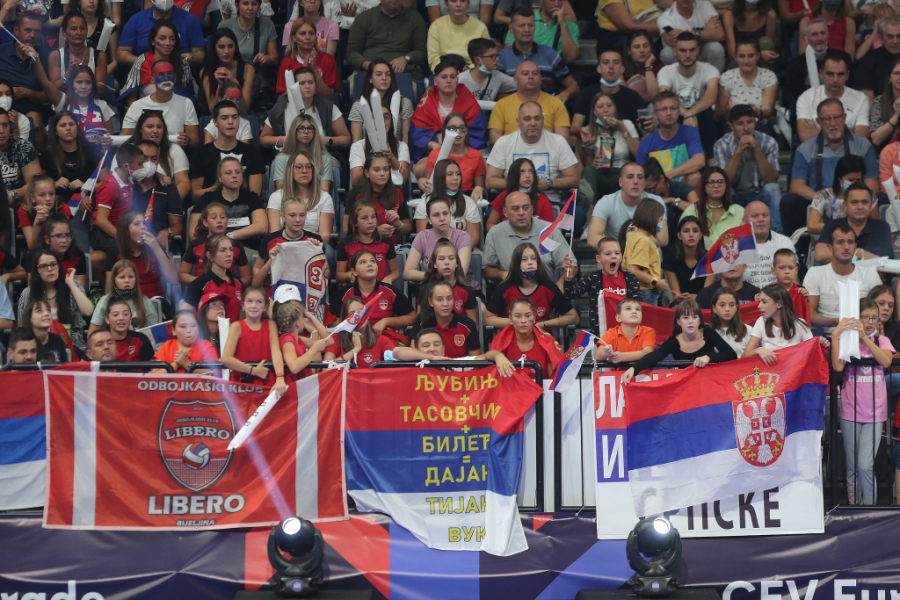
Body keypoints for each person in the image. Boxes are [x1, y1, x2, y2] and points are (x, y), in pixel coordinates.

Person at [782, 99, 879, 236]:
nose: (833, 123)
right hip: (818, 200)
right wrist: (825, 200)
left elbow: (873, 186)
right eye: (827, 119)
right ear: (819, 122)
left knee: (881, 198)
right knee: (789, 202)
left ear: (844, 117)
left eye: (837, 117)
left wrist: (854, 200)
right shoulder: (805, 149)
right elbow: (796, 186)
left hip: (856, 201)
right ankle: (796, 246)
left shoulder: (863, 146)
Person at [832, 298, 893, 506]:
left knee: (865, 466)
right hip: (850, 412)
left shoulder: (882, 341)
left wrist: (865, 339)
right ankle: (854, 508)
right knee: (852, 467)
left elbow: (886, 361)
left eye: (874, 318)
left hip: (875, 414)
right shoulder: (848, 342)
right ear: (856, 318)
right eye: (865, 317)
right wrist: (836, 335)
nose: (870, 322)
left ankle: (869, 510)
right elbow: (838, 367)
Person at [486, 101, 581, 210]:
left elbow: (575, 179)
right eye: (527, 119)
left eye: (537, 118)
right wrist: (517, 183)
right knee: (489, 215)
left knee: (579, 215)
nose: (533, 123)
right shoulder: (504, 142)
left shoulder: (558, 141)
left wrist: (549, 183)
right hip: (513, 204)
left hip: (550, 203)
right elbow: (490, 181)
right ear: (518, 122)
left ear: (543, 120)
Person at [620, 298, 736, 384]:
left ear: (700, 321)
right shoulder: (674, 342)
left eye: (694, 317)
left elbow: (731, 354)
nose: (690, 321)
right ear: (678, 321)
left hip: (709, 383)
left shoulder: (709, 333)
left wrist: (709, 357)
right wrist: (634, 369)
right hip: (686, 387)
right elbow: (655, 355)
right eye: (685, 317)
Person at [483, 191, 577, 286]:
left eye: (525, 208)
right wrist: (502, 274)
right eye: (515, 209)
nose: (521, 213)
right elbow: (486, 270)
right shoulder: (495, 232)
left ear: (531, 209)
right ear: (505, 212)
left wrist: (560, 284)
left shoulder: (549, 230)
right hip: (512, 290)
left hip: (546, 290)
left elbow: (572, 266)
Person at [803, 224, 883, 334]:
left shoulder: (869, 274)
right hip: (827, 336)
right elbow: (808, 314)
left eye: (850, 242)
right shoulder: (815, 273)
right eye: (840, 242)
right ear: (830, 248)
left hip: (863, 336)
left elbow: (879, 311)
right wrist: (835, 322)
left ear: (855, 247)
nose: (846, 247)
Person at [713, 104, 781, 230]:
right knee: (725, 191)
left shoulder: (769, 142)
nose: (746, 128)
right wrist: (738, 152)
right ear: (731, 126)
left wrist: (757, 149)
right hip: (735, 196)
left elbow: (772, 180)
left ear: (755, 123)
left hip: (760, 195)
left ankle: (779, 236)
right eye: (740, 124)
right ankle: (725, 234)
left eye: (749, 122)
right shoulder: (721, 145)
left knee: (773, 189)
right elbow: (722, 182)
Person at [330, 249, 416, 345]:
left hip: (385, 339)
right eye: (363, 262)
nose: (369, 264)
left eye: (372, 261)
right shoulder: (345, 293)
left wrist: (386, 321)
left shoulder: (389, 290)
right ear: (354, 272)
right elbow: (331, 321)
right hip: (353, 340)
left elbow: (412, 318)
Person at [484, 241, 578, 328]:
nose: (530, 262)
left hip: (541, 335)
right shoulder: (505, 288)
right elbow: (487, 319)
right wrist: (516, 321)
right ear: (516, 264)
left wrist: (544, 324)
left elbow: (574, 317)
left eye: (533, 258)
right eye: (524, 259)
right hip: (513, 336)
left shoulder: (549, 288)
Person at [37, 111, 105, 230]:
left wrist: (86, 186)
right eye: (63, 125)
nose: (68, 128)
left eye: (71, 124)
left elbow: (107, 183)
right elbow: (36, 184)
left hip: (85, 200)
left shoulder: (91, 149)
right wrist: (53, 184)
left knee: (81, 214)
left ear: (77, 128)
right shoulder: (46, 152)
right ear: (55, 131)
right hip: (56, 201)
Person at [410, 61, 487, 165]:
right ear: (436, 81)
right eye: (444, 77)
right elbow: (417, 135)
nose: (449, 81)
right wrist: (432, 145)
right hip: (434, 155)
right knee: (420, 168)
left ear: (457, 80)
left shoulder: (469, 103)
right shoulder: (427, 104)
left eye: (452, 77)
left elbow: (476, 135)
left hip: (464, 153)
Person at [17, 249, 93, 354]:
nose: (50, 269)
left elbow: (88, 311)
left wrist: (71, 284)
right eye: (44, 266)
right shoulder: (28, 293)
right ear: (37, 271)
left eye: (53, 264)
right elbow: (22, 325)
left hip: (72, 343)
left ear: (59, 267)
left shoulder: (73, 285)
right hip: (39, 343)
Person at [266, 151, 335, 266]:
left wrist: (305, 246)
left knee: (328, 251)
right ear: (290, 170)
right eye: (299, 167)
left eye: (308, 167)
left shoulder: (324, 198)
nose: (304, 170)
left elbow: (325, 236)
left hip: (312, 245)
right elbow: (274, 234)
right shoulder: (276, 197)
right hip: (284, 245)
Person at [657, 32, 720, 157]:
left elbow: (711, 97)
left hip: (701, 117)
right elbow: (665, 97)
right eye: (683, 50)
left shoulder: (709, 69)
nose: (687, 55)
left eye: (692, 50)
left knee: (708, 114)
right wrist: (687, 115)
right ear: (675, 51)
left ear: (697, 51)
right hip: (677, 115)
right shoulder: (666, 71)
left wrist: (689, 113)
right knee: (668, 112)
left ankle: (711, 163)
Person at [89, 143, 145, 281]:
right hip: (104, 234)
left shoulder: (129, 180)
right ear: (126, 166)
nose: (143, 167)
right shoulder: (110, 186)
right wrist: (123, 238)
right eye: (140, 164)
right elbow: (101, 220)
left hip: (121, 230)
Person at [498, 8, 578, 102]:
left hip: (547, 107)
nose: (527, 30)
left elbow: (573, 86)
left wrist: (565, 94)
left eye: (530, 25)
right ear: (511, 28)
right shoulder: (501, 58)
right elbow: (495, 91)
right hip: (514, 108)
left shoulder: (549, 53)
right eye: (521, 26)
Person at [189, 104, 265, 203]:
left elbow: (255, 195)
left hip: (243, 207)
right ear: (215, 122)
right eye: (224, 118)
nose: (230, 122)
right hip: (210, 206)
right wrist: (220, 186)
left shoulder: (252, 153)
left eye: (235, 117)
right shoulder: (201, 154)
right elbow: (195, 195)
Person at [571, 49, 645, 148]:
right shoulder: (585, 94)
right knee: (573, 139)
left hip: (627, 147)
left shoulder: (633, 97)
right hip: (593, 147)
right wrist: (581, 130)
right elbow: (574, 127)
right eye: (606, 63)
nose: (611, 66)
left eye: (616, 63)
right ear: (599, 69)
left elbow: (646, 132)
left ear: (622, 69)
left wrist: (651, 128)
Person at [262, 67, 350, 149]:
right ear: (293, 86)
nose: (307, 86)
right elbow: (263, 138)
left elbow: (346, 138)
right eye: (302, 83)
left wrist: (324, 140)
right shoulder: (280, 107)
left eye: (310, 82)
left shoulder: (328, 107)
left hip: (320, 153)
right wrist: (287, 140)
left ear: (315, 85)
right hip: (289, 154)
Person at [565, 236, 640, 332]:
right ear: (598, 258)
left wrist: (612, 297)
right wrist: (568, 276)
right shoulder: (592, 278)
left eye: (617, 253)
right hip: (600, 334)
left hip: (626, 333)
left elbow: (638, 305)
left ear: (621, 257)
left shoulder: (631, 278)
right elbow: (570, 294)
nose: (613, 256)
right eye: (608, 253)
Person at [221, 286, 287, 393]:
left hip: (267, 380)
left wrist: (280, 377)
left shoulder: (270, 324)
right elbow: (226, 359)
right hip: (242, 384)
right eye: (250, 301)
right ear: (243, 305)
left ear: (265, 307)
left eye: (259, 302)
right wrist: (254, 371)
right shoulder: (237, 326)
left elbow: (276, 352)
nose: (254, 306)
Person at [577, 91, 640, 203]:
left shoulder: (626, 124)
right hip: (601, 173)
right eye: (600, 107)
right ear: (594, 111)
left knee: (618, 179)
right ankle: (588, 209)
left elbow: (638, 154)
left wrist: (622, 130)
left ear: (614, 108)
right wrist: (593, 163)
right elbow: (588, 165)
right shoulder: (589, 130)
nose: (606, 110)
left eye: (609, 106)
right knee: (588, 170)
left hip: (622, 172)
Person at [487, 60, 571, 144]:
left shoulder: (556, 103)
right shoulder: (502, 104)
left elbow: (562, 138)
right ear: (515, 79)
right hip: (511, 150)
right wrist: (517, 148)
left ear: (540, 79)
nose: (530, 76)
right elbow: (494, 136)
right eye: (525, 74)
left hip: (547, 150)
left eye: (535, 73)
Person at [588, 162, 668, 248]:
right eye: (630, 177)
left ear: (644, 183)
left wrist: (635, 243)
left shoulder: (656, 201)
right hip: (616, 251)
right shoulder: (606, 202)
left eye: (640, 177)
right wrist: (622, 246)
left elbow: (663, 238)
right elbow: (592, 238)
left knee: (657, 251)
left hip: (644, 250)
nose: (635, 181)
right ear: (621, 182)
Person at [120, 61, 200, 146]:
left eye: (169, 74)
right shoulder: (137, 106)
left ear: (175, 78)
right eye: (161, 74)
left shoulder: (186, 103)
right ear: (152, 80)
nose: (166, 78)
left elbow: (195, 140)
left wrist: (187, 140)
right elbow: (123, 139)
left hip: (174, 151)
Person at [635, 91, 705, 188]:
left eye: (673, 108)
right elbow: (640, 176)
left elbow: (699, 161)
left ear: (679, 112)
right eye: (663, 109)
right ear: (655, 114)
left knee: (695, 177)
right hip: (658, 189)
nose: (669, 113)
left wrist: (668, 175)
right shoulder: (646, 143)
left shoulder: (690, 132)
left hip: (683, 186)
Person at [406, 194, 477, 289]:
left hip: (463, 288)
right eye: (436, 215)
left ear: (450, 214)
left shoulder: (463, 237)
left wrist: (431, 276)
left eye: (445, 213)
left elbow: (460, 273)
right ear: (429, 219)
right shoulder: (422, 237)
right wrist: (436, 277)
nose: (442, 218)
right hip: (433, 289)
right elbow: (407, 273)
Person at [796, 51, 869, 142]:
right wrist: (851, 131)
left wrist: (818, 129)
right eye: (830, 74)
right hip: (817, 150)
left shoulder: (861, 99)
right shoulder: (806, 97)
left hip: (849, 150)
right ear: (821, 74)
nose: (835, 79)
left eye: (840, 74)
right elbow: (804, 136)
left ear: (847, 75)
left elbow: (862, 138)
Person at [252, 198, 326, 287]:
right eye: (292, 215)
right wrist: (272, 259)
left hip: (305, 291)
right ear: (283, 217)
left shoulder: (315, 240)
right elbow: (256, 281)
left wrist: (316, 252)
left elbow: (326, 272)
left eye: (302, 215)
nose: (298, 220)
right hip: (276, 291)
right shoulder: (269, 240)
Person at [345, 0, 428, 80]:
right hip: (367, 73)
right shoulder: (363, 18)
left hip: (405, 73)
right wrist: (367, 65)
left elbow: (421, 51)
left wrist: (406, 59)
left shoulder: (415, 18)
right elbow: (352, 52)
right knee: (352, 87)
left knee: (413, 87)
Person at [109, 211, 178, 305]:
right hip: (128, 304)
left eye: (144, 223)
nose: (143, 227)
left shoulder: (155, 247)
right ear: (126, 230)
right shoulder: (115, 251)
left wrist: (156, 248)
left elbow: (173, 279)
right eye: (137, 224)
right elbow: (111, 289)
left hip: (156, 302)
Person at [0, 14, 49, 145]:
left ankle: (37, 156)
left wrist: (27, 93)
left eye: (37, 31)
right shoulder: (1, 52)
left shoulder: (46, 56)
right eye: (28, 30)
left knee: (34, 119)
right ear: (16, 30)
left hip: (31, 112)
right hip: (1, 111)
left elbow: (51, 96)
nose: (32, 35)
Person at [120, 21, 196, 104]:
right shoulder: (141, 62)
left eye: (172, 39)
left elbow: (188, 96)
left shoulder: (183, 63)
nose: (168, 43)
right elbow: (131, 100)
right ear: (153, 41)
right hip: (147, 109)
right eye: (162, 38)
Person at [814, 183, 892, 263]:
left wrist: (844, 254)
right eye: (854, 202)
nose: (860, 207)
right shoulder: (832, 226)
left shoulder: (882, 227)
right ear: (845, 206)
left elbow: (886, 261)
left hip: (873, 271)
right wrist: (857, 253)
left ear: (871, 206)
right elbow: (820, 255)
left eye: (865, 202)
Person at [342, 153, 411, 243]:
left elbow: (408, 228)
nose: (382, 173)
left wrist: (398, 224)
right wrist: (375, 232)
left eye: (386, 169)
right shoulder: (356, 193)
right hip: (363, 246)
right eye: (376, 170)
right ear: (367, 173)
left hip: (391, 247)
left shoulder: (397, 192)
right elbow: (346, 230)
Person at [742, 283, 819, 364]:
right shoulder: (761, 321)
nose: (759, 306)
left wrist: (820, 342)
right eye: (759, 302)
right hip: (771, 371)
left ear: (779, 304)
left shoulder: (800, 324)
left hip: (794, 370)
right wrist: (758, 350)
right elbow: (744, 356)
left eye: (764, 302)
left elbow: (813, 353)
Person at [414, 112, 485, 199]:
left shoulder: (476, 156)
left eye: (462, 128)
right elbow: (429, 186)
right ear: (445, 131)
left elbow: (479, 187)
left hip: (465, 198)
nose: (458, 132)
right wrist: (422, 180)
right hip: (440, 198)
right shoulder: (435, 154)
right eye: (452, 128)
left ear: (466, 131)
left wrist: (479, 188)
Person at [182, 202, 252, 287]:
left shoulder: (236, 246)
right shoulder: (195, 245)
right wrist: (202, 283)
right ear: (205, 222)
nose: (219, 221)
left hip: (227, 289)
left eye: (222, 217)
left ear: (227, 221)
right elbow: (183, 274)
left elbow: (247, 277)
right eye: (214, 217)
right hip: (201, 290)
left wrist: (230, 284)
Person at [124, 110, 190, 200]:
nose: (155, 131)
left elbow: (184, 182)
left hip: (165, 201)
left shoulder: (174, 149)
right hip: (131, 201)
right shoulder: (128, 149)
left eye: (159, 127)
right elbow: (119, 178)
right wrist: (158, 175)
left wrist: (169, 203)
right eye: (150, 127)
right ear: (140, 129)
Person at [489, 297, 563, 376]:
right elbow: (485, 359)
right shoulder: (501, 339)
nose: (523, 321)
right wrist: (497, 355)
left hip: (539, 384)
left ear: (534, 318)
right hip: (510, 384)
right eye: (518, 316)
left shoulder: (548, 341)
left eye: (528, 316)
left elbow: (553, 379)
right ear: (510, 319)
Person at [716, 37, 777, 133]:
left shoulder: (769, 76)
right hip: (733, 126)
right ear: (735, 57)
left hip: (758, 125)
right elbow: (719, 114)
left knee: (766, 126)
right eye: (741, 56)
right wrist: (729, 108)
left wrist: (757, 112)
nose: (746, 61)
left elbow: (768, 110)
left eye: (750, 56)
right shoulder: (726, 77)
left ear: (758, 56)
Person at [117, 0, 205, 67]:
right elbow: (121, 53)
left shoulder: (189, 19)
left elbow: (200, 53)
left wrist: (190, 57)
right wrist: (143, 62)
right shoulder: (136, 20)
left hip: (179, 73)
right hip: (143, 74)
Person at [129, 139, 182, 249]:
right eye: (144, 158)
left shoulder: (168, 188)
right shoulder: (126, 183)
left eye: (153, 159)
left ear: (158, 160)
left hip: (156, 245)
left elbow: (177, 226)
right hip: (128, 244)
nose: (149, 163)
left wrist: (167, 231)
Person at [347, 59, 414, 143]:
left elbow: (405, 139)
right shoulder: (359, 105)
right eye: (379, 74)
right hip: (367, 150)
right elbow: (356, 141)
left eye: (388, 74)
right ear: (370, 79)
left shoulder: (404, 103)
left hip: (396, 150)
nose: (384, 78)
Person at [410, 280, 481, 358]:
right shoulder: (422, 321)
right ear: (430, 302)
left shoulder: (468, 324)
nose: (445, 304)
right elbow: (413, 354)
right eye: (439, 299)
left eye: (449, 298)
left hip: (459, 366)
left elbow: (475, 360)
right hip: (428, 366)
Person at [412, 160, 480, 241]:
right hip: (433, 248)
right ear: (440, 177)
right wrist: (443, 248)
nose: (455, 178)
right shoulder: (424, 203)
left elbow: (474, 238)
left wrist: (454, 247)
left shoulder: (468, 202)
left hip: (462, 247)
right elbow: (423, 238)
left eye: (458, 174)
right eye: (450, 174)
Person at [182, 235, 245, 321]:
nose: (229, 254)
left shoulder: (237, 282)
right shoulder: (199, 284)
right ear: (209, 255)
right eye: (223, 250)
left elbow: (242, 315)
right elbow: (182, 317)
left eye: (231, 250)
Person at [413, 240, 478, 321]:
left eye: (451, 258)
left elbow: (473, 325)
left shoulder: (467, 291)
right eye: (441, 259)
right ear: (435, 264)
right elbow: (420, 323)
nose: (447, 262)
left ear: (457, 263)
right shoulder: (425, 290)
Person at [89, 259, 157, 335]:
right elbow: (92, 335)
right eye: (122, 277)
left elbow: (156, 335)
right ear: (114, 280)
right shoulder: (105, 301)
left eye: (131, 277)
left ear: (136, 279)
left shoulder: (145, 302)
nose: (127, 280)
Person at [268, 113, 333, 193]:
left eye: (310, 128)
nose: (306, 131)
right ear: (294, 131)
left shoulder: (324, 158)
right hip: (289, 199)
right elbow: (281, 190)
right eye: (301, 128)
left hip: (316, 199)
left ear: (314, 132)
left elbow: (324, 190)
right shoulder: (281, 159)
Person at [349, 102, 410, 186]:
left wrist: (392, 158)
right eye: (376, 116)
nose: (382, 120)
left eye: (386, 116)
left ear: (391, 122)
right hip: (366, 191)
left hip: (392, 190)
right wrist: (370, 161)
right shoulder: (357, 146)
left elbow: (404, 178)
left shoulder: (401, 146)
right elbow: (355, 181)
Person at [323, 296, 395, 367]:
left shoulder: (382, 341)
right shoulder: (336, 338)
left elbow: (396, 368)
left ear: (368, 315)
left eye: (361, 312)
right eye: (352, 314)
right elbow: (325, 369)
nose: (358, 317)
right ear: (345, 320)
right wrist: (355, 350)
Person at [337, 201, 399, 283]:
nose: (370, 221)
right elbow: (339, 276)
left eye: (373, 217)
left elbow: (395, 271)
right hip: (356, 289)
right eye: (364, 218)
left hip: (380, 288)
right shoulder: (346, 244)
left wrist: (389, 278)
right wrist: (350, 275)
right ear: (355, 223)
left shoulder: (386, 243)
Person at [682, 167, 745, 248]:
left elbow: (746, 244)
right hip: (701, 256)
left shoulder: (740, 212)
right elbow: (683, 244)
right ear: (704, 187)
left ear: (726, 186)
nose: (716, 185)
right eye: (711, 182)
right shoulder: (691, 211)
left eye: (720, 182)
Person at [485, 158, 553, 232]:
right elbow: (490, 224)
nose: (527, 175)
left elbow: (548, 231)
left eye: (531, 171)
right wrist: (503, 236)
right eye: (522, 171)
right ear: (514, 175)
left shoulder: (543, 201)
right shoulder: (503, 197)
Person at [277, 18, 338, 98]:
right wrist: (302, 73)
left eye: (311, 33)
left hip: (320, 104)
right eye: (302, 34)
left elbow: (328, 95)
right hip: (294, 105)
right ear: (294, 38)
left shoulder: (328, 60)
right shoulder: (286, 62)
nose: (308, 37)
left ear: (316, 37)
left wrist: (314, 70)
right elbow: (283, 98)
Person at [50, 12, 107, 97]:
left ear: (86, 31)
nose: (79, 32)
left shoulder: (100, 56)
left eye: (82, 28)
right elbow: (52, 91)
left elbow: (100, 90)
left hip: (91, 103)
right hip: (64, 104)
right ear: (64, 33)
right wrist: (68, 75)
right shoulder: (55, 56)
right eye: (73, 29)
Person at [657, 0, 725, 72]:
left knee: (715, 47)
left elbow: (720, 35)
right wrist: (705, 32)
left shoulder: (704, 5)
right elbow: (673, 42)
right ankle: (681, 78)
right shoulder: (665, 18)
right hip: (682, 55)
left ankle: (714, 77)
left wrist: (690, 33)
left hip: (702, 51)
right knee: (667, 53)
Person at [623, 198, 668, 306]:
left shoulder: (633, 238)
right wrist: (656, 282)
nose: (660, 224)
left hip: (634, 289)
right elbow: (633, 270)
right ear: (652, 219)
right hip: (645, 293)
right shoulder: (644, 241)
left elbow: (625, 267)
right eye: (660, 220)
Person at [740, 201, 794, 289]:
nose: (761, 219)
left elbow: (792, 279)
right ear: (744, 221)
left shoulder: (784, 242)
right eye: (755, 216)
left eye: (765, 215)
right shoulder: (735, 245)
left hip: (777, 295)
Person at [274, 296, 329, 383]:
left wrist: (310, 316)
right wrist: (315, 349)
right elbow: (294, 367)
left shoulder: (298, 339)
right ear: (298, 323)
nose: (305, 320)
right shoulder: (287, 339)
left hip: (302, 384)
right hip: (293, 387)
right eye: (303, 318)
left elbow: (329, 341)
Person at [782, 19, 829, 119]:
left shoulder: (842, 59)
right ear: (806, 38)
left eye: (823, 33)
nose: (820, 38)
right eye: (814, 34)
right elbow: (794, 100)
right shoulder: (794, 66)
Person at [503, 0, 579, 61]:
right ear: (541, 0)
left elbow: (571, 56)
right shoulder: (524, 21)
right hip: (525, 68)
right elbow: (510, 53)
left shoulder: (570, 26)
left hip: (553, 70)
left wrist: (563, 25)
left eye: (560, 0)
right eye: (552, 0)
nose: (556, 4)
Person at [200, 29, 254, 115]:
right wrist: (220, 86)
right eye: (221, 47)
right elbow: (213, 111)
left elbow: (244, 111)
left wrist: (234, 81)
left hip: (240, 118)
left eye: (230, 46)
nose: (226, 51)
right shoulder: (206, 72)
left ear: (235, 47)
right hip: (217, 120)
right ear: (214, 49)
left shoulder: (248, 69)